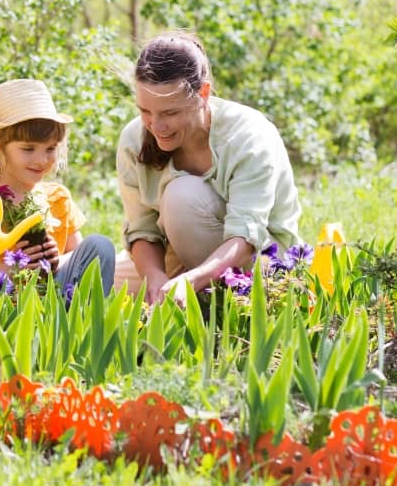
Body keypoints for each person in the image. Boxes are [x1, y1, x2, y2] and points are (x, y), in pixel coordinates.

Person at [114, 32, 301, 306]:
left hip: (258, 260)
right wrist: (154, 278)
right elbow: (142, 229)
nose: (156, 126)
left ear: (203, 93)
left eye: (170, 113)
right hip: (177, 258)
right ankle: (182, 294)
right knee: (92, 277)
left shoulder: (247, 136)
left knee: (182, 197)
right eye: (145, 111)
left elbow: (245, 238)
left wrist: (192, 281)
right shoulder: (134, 139)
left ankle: (210, 303)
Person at [0, 78, 115, 296]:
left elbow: (78, 255)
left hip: (55, 293)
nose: (41, 160)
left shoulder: (56, 197)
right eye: (28, 149)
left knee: (100, 246)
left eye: (50, 148)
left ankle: (83, 324)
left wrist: (57, 260)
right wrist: (12, 268)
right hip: (6, 299)